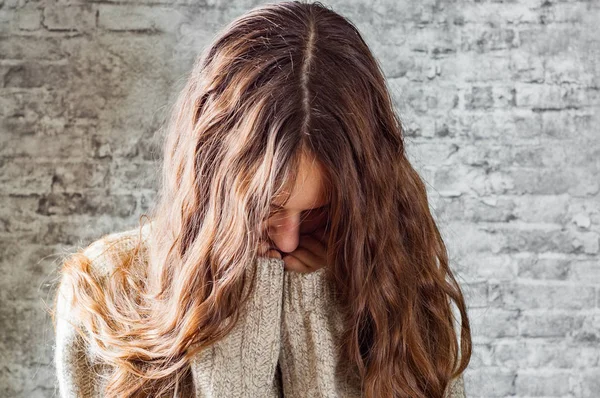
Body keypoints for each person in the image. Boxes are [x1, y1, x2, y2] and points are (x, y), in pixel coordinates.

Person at [51, 1, 472, 397]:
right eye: (264, 208)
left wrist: (307, 304)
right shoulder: (107, 289)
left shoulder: (403, 296)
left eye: (317, 212)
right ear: (211, 183)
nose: (288, 242)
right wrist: (246, 304)